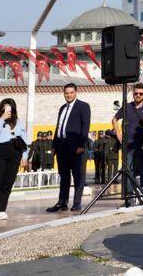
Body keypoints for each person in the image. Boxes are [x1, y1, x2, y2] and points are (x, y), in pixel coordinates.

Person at [47, 83, 91, 212]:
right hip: (62, 146)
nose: (69, 95)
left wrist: (81, 144)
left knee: (78, 176)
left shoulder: (83, 106)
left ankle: (77, 203)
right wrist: (54, 145)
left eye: (71, 92)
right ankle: (62, 202)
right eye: (66, 93)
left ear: (76, 92)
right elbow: (59, 127)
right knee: (64, 176)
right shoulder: (62, 108)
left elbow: (85, 126)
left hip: (76, 147)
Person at [113, 83, 143, 206]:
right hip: (128, 144)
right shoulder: (127, 106)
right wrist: (118, 133)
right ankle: (130, 196)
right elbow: (114, 119)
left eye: (141, 93)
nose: (138, 95)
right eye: (136, 93)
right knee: (129, 170)